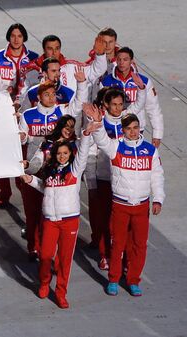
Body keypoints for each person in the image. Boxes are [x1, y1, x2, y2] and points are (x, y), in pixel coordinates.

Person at [86, 110, 165, 297]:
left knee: (140, 245)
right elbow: (101, 140)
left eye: (136, 128)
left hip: (141, 207)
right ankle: (113, 279)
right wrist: (97, 123)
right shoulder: (116, 147)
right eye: (129, 129)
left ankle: (133, 280)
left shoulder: (150, 151)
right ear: (122, 131)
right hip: (120, 205)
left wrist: (159, 199)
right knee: (118, 243)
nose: (133, 132)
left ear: (140, 128)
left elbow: (157, 177)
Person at [21, 121, 98, 309]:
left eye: (65, 153)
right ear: (54, 155)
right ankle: (45, 283)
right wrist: (30, 179)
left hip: (69, 221)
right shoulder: (49, 171)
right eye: (59, 153)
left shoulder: (75, 169)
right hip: (50, 220)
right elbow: (44, 188)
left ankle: (61, 293)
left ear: (70, 154)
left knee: (64, 260)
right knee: (46, 256)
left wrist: (87, 133)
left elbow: (83, 149)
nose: (62, 156)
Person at [18, 69, 88, 260]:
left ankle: (49, 250)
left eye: (52, 94)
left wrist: (81, 84)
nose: (51, 97)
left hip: (56, 172)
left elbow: (77, 105)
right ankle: (33, 246)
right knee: (32, 213)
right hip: (35, 169)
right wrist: (23, 137)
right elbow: (22, 138)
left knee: (49, 213)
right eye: (46, 94)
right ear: (39, 96)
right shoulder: (28, 115)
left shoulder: (62, 111)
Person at [83, 84, 146, 270]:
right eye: (114, 104)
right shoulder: (98, 123)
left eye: (121, 104)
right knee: (103, 221)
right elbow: (91, 154)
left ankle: (125, 257)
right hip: (104, 179)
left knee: (123, 225)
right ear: (106, 104)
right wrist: (92, 184)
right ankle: (105, 255)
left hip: (125, 181)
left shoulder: (128, 123)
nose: (118, 108)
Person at [0, 23, 39, 208]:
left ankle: (24, 187)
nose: (16, 39)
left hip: (25, 111)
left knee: (21, 153)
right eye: (13, 35)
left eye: (19, 35)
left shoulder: (34, 58)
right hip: (4, 110)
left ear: (24, 37)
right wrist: (5, 90)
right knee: (2, 152)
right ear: (8, 37)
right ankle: (4, 193)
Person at [100, 47, 163, 147]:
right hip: (111, 130)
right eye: (119, 59)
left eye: (125, 60)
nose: (121, 63)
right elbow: (102, 107)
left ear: (131, 61)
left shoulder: (144, 82)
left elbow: (153, 108)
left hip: (136, 130)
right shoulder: (106, 82)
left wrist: (157, 134)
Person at [31, 34, 107, 92]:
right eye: (50, 49)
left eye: (57, 48)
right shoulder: (33, 70)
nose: (54, 52)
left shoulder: (73, 67)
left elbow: (96, 71)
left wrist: (100, 55)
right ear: (44, 50)